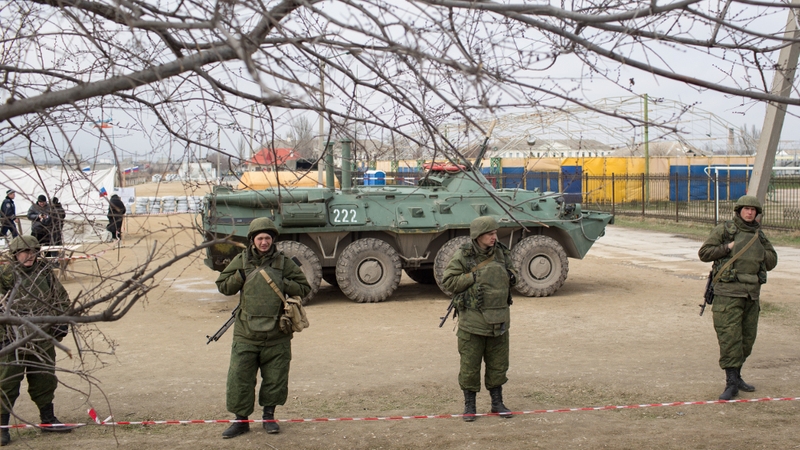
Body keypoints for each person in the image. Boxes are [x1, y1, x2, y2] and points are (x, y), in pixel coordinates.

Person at [215, 217, 310, 438]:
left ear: (273, 239)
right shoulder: (241, 260)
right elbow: (223, 285)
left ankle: (269, 417)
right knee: (240, 377)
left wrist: (282, 282)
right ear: (252, 240)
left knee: (275, 377)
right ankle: (241, 420)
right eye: (260, 238)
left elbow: (304, 287)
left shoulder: (283, 262)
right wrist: (239, 276)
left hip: (277, 333)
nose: (264, 242)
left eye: (268, 238)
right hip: (246, 333)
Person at [699, 195, 778, 401]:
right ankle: (731, 383)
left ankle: (738, 376)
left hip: (751, 296)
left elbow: (771, 261)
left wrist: (761, 250)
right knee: (730, 339)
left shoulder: (759, 235)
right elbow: (705, 253)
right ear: (739, 210)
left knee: (746, 339)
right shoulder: (725, 230)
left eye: (754, 210)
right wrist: (728, 247)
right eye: (746, 209)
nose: (750, 212)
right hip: (727, 295)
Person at [441, 216, 518, 422]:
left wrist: (510, 276)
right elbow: (448, 281)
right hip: (472, 323)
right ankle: (470, 406)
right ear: (478, 236)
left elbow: (514, 274)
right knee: (470, 365)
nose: (494, 237)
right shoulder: (464, 255)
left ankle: (497, 403)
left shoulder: (501, 252)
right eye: (490, 234)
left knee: (498, 364)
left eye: (495, 233)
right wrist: (474, 276)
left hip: (499, 318)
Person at [0, 235, 72, 446]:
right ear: (14, 254)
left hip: (41, 340)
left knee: (45, 380)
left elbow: (61, 299)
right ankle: (2, 428)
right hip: (11, 341)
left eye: (33, 251)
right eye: (24, 251)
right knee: (6, 384)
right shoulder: (5, 275)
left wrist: (61, 322)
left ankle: (48, 420)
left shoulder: (45, 273)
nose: (29, 256)